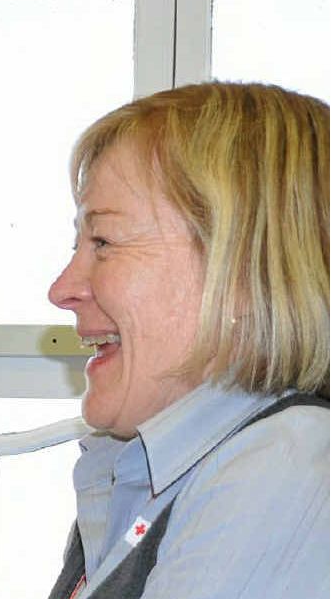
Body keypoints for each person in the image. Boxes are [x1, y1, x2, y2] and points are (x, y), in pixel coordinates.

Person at [45, 82, 329, 599]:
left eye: (103, 242)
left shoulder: (283, 468)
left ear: (243, 270)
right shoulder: (132, 469)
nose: (62, 289)